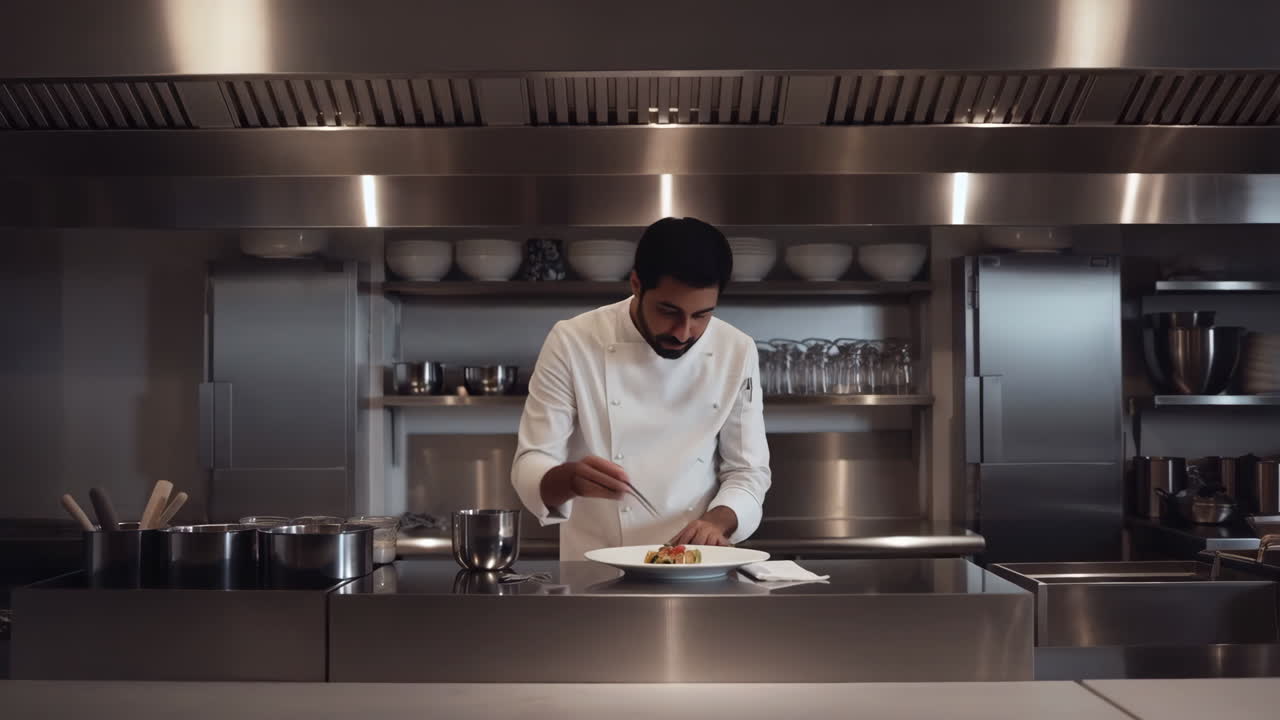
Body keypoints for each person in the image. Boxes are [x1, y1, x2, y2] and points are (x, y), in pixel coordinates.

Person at [511, 217, 771, 560]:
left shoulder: (736, 349)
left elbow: (748, 471)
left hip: (695, 565)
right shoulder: (573, 340)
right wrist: (570, 479)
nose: (683, 332)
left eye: (701, 316)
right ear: (636, 284)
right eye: (668, 311)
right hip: (595, 567)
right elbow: (531, 462)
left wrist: (717, 522)